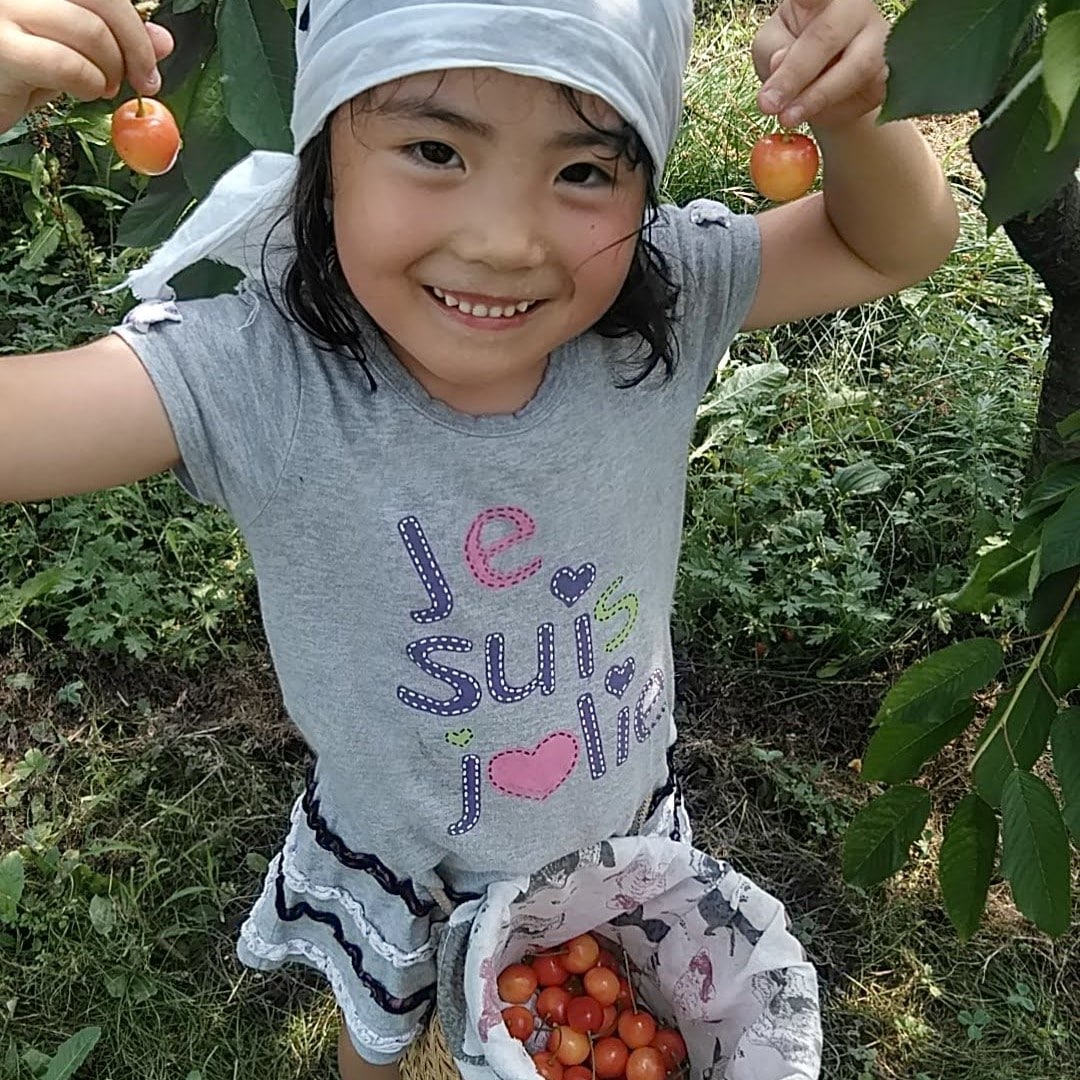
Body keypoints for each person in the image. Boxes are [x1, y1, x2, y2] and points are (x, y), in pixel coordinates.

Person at [0, 0, 959, 1076]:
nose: (505, 241)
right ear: (324, 155)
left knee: (603, 1028)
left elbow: (896, 243)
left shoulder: (667, 306)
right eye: (433, 148)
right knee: (380, 1030)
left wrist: (856, 115)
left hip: (615, 837)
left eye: (586, 171)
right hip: (403, 853)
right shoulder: (259, 375)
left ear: (645, 185)